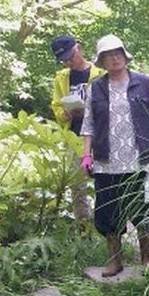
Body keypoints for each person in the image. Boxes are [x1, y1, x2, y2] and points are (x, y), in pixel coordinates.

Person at [80, 35, 149, 276]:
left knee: (144, 209)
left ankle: (147, 259)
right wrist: (86, 155)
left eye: (117, 53)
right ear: (102, 61)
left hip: (141, 158)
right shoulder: (95, 88)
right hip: (106, 161)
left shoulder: (145, 83)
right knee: (109, 212)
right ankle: (114, 261)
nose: (114, 58)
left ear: (125, 56)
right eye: (108, 55)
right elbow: (88, 125)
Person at [50, 34, 104, 222]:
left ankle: (103, 223)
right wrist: (64, 114)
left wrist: (88, 111)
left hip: (99, 135)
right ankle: (83, 225)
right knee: (77, 184)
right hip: (74, 135)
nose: (68, 62)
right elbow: (57, 105)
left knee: (102, 180)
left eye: (70, 56)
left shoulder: (100, 73)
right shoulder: (61, 78)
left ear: (78, 48)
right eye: (63, 60)